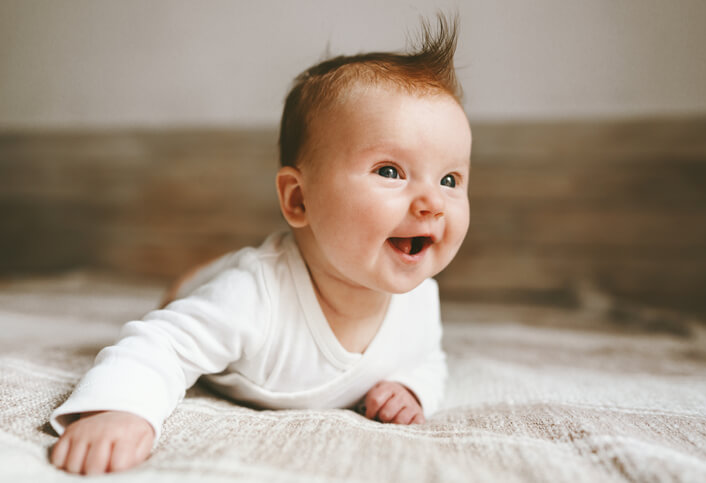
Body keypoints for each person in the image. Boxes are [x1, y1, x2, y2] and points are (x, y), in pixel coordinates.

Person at [49, 13, 471, 475]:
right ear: (298, 198)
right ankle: (196, 276)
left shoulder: (419, 301)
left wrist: (412, 389)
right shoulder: (254, 297)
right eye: (390, 171)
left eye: (450, 179)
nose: (433, 202)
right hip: (211, 287)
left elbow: (428, 358)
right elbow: (160, 345)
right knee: (202, 294)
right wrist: (121, 408)